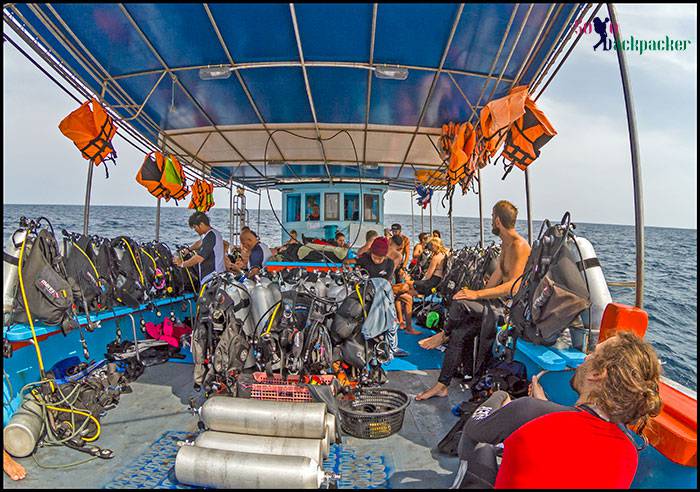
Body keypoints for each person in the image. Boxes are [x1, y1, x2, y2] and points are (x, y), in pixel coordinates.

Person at [452, 331, 662, 489]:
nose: (586, 358)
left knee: (482, 447)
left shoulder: (529, 411)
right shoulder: (629, 454)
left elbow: (475, 428)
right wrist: (543, 405)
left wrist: (501, 398)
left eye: (593, 354)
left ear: (598, 375)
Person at [416, 200, 531, 400]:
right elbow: (496, 277)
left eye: (491, 218)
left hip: (506, 310)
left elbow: (514, 287)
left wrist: (476, 296)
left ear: (496, 220)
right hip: (493, 304)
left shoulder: (519, 245)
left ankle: (443, 335)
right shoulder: (505, 244)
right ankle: (442, 385)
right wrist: (474, 293)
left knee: (460, 303)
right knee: (459, 331)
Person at [173, 212, 226, 285]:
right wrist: (189, 249)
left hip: (212, 278)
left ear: (201, 224)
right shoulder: (211, 234)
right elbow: (200, 243)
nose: (195, 230)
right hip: (214, 276)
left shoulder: (210, 236)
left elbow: (199, 258)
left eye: (195, 227)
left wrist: (182, 264)